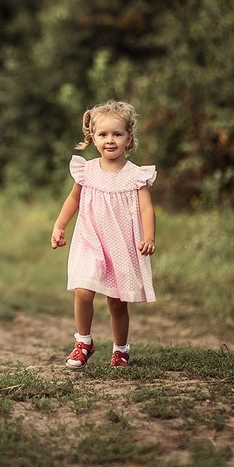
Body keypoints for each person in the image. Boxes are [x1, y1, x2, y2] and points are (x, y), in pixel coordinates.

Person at [50, 100, 157, 369]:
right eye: (103, 135)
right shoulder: (87, 170)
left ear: (129, 138)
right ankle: (83, 342)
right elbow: (73, 200)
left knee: (117, 303)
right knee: (83, 292)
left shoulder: (136, 175)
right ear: (93, 138)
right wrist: (60, 226)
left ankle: (121, 350)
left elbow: (147, 208)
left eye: (117, 134)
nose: (110, 140)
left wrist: (149, 237)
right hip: (90, 239)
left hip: (121, 245)